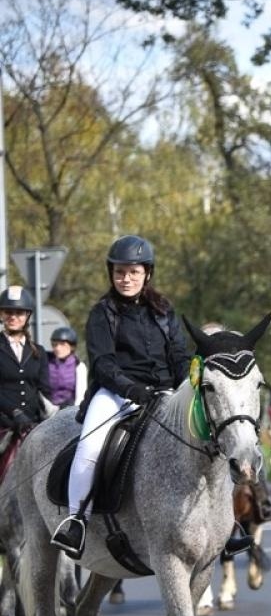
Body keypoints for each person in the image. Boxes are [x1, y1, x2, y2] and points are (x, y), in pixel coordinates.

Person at [51, 236, 190, 558]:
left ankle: (229, 521)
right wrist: (132, 389)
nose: (126, 278)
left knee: (209, 433)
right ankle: (76, 521)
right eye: (119, 272)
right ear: (111, 274)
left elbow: (179, 354)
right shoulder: (103, 312)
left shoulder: (163, 310)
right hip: (115, 393)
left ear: (147, 274)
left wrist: (187, 385)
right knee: (90, 445)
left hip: (165, 393)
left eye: (133, 272)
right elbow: (103, 363)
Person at [0, 286, 51, 442]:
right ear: (1, 314)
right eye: (8, 312)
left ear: (27, 315)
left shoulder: (39, 352)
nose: (13, 317)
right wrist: (14, 412)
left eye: (19, 313)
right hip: (3, 425)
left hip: (33, 426)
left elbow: (44, 390)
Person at [45, 325, 87, 410]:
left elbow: (81, 395)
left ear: (72, 346)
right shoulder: (47, 363)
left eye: (62, 344)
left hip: (69, 409)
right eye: (55, 345)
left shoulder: (79, 366)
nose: (57, 348)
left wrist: (75, 411)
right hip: (48, 411)